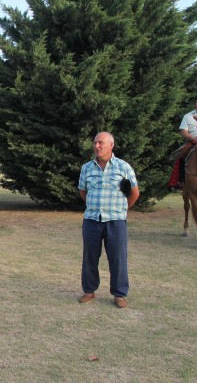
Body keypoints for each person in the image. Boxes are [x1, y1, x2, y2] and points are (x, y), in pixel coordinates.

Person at [78, 132, 139, 309]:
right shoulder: (87, 168)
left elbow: (135, 193)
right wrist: (94, 205)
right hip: (92, 220)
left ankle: (119, 294)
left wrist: (121, 209)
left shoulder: (123, 167)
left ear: (111, 145)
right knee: (90, 257)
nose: (97, 146)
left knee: (118, 258)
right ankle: (89, 291)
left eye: (101, 143)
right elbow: (83, 192)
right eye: (95, 143)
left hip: (116, 221)